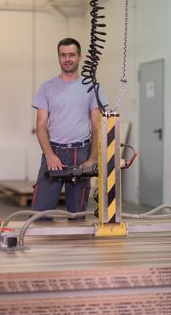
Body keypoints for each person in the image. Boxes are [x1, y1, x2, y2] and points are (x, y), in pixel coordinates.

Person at [31, 37, 106, 218]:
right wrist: (49, 155)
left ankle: (77, 246)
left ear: (80, 57)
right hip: (54, 152)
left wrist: (92, 159)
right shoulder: (46, 88)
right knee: (40, 214)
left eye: (71, 55)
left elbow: (97, 125)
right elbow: (41, 126)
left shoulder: (91, 87)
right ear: (58, 58)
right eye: (63, 55)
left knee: (77, 213)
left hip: (81, 153)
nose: (67, 59)